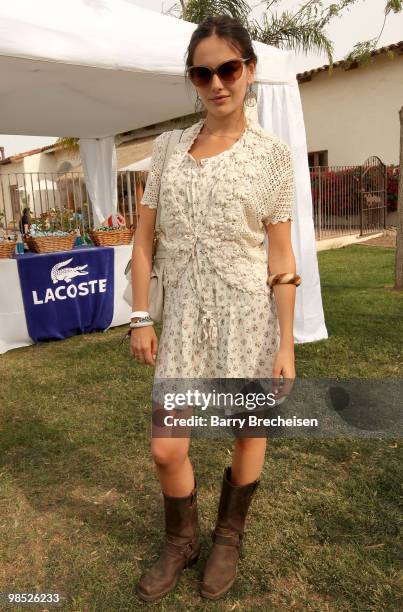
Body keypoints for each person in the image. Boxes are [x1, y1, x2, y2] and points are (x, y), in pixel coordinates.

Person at [129, 15, 299, 602]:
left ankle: (227, 536)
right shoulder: (167, 148)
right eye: (203, 73)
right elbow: (144, 240)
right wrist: (139, 314)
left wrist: (285, 344)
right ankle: (182, 540)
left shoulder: (272, 157)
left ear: (249, 71)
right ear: (192, 81)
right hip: (180, 319)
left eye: (228, 68)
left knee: (247, 427)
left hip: (248, 312)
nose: (217, 83)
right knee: (166, 445)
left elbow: (280, 255)